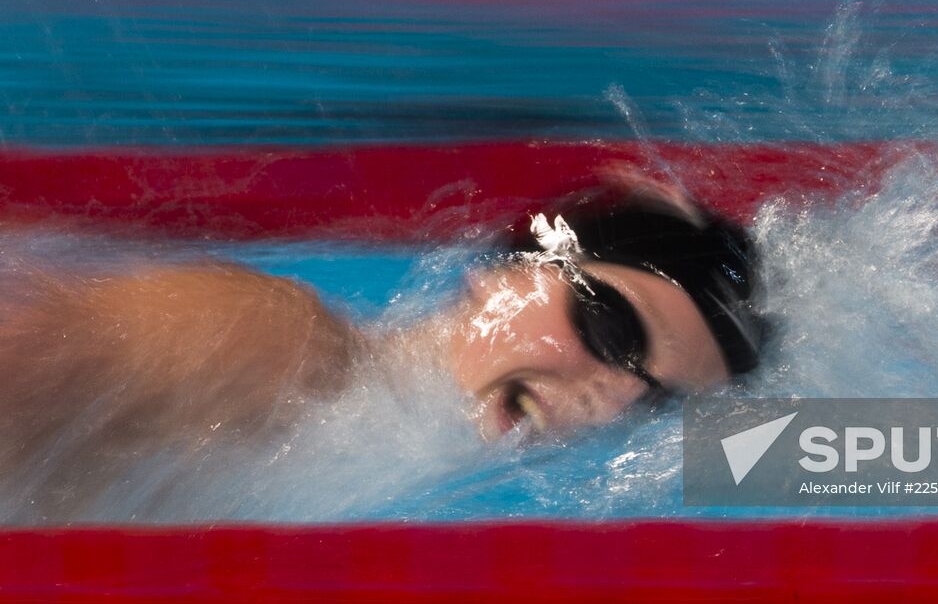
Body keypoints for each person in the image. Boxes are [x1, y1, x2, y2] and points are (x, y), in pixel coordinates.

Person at [0, 184, 764, 518]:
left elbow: (858, 450)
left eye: (658, 398)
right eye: (612, 330)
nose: (616, 398)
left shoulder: (435, 459)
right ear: (509, 272)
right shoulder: (266, 340)